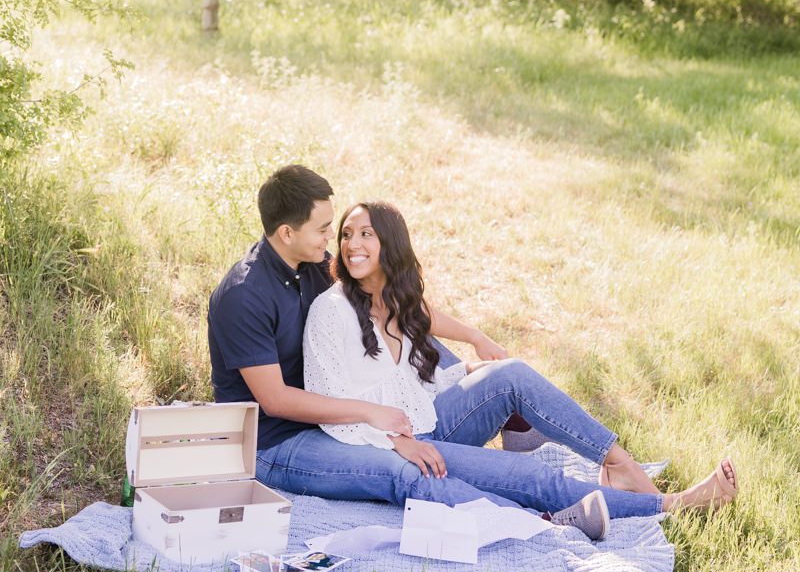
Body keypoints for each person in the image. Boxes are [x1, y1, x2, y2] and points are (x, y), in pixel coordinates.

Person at [207, 167, 737, 540]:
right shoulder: (244, 296)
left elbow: (391, 302)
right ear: (286, 232)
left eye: (338, 231)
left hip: (367, 416)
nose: (336, 242)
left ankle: (623, 471)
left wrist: (473, 337)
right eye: (328, 230)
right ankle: (556, 522)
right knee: (413, 476)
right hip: (281, 444)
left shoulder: (313, 262)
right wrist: (388, 431)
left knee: (510, 399)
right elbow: (275, 401)